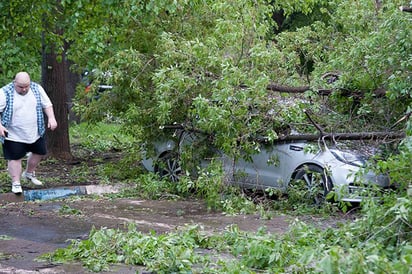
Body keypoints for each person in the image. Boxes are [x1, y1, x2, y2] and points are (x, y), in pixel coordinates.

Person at [0, 72, 57, 194]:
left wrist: (51, 118)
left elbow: (47, 104)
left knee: (39, 152)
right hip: (12, 133)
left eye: (27, 86)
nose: (24, 89)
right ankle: (16, 183)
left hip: (34, 131)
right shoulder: (5, 92)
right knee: (15, 158)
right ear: (14, 82)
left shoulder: (36, 88)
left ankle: (29, 173)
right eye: (21, 86)